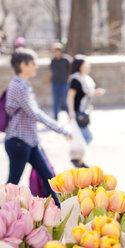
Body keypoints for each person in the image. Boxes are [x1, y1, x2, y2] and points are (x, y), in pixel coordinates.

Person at [5, 48, 71, 206]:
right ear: (23, 65)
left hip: (30, 142)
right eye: (33, 63)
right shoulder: (18, 86)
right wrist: (61, 129)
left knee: (48, 178)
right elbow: (35, 114)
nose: (36, 67)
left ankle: (60, 213)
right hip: (18, 142)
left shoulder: (24, 86)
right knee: (12, 185)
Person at [67, 56, 105, 168]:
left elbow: (86, 93)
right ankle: (76, 159)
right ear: (80, 66)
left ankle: (78, 159)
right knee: (87, 136)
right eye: (86, 65)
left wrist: (95, 93)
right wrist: (71, 111)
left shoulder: (86, 79)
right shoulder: (76, 79)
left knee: (83, 136)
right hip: (78, 112)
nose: (88, 67)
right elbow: (70, 97)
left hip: (84, 111)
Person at [50, 42, 70, 120]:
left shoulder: (66, 60)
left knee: (65, 101)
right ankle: (55, 116)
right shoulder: (53, 61)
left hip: (64, 83)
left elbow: (69, 70)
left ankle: (69, 115)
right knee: (55, 101)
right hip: (55, 83)